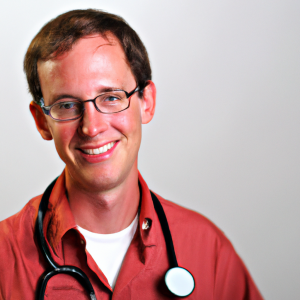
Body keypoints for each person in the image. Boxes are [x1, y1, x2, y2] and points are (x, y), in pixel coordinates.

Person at [0, 9, 263, 300]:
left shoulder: (207, 249)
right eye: (67, 105)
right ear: (41, 121)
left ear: (146, 102)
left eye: (111, 97)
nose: (92, 127)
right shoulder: (4, 257)